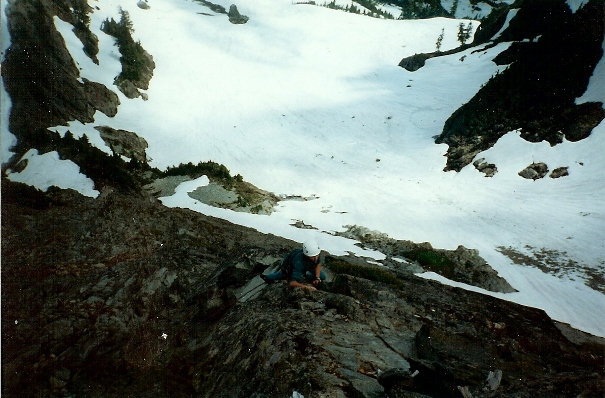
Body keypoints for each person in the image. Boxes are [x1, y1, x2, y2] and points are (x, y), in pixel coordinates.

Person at [261, 240, 326, 291]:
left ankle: (306, 276)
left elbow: (318, 264)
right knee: (281, 275)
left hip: (307, 265)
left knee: (322, 276)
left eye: (316, 256)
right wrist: (307, 287)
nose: (315, 258)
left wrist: (317, 278)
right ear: (306, 255)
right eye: (313, 257)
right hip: (290, 268)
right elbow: (292, 283)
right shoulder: (299, 262)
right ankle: (267, 277)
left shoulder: (315, 253)